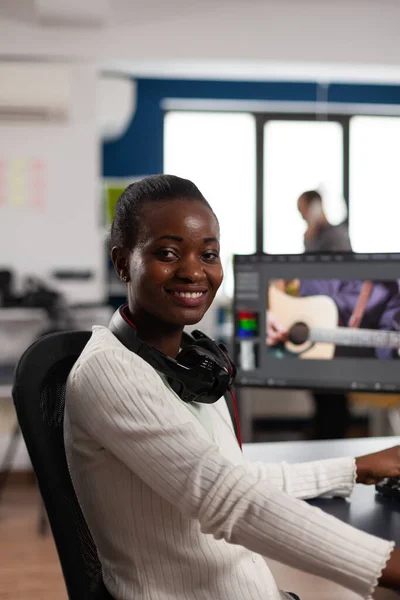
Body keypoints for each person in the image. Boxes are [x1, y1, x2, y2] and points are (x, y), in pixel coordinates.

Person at [65, 174, 400, 600]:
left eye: (208, 254)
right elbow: (229, 498)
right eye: (167, 253)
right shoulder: (110, 371)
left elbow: (233, 477)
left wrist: (356, 468)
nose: (192, 271)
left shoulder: (191, 365)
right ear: (121, 262)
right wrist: (386, 565)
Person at [298, 189, 352, 438]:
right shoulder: (311, 236)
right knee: (318, 386)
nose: (301, 215)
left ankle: (335, 434)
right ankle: (321, 431)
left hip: (334, 318)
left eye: (304, 209)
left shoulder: (336, 236)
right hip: (315, 316)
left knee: (334, 389)